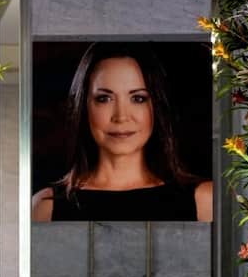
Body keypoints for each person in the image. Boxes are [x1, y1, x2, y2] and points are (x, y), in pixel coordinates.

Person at [32, 42, 213, 222]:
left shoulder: (203, 200)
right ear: (83, 106)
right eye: (104, 98)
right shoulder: (46, 207)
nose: (121, 116)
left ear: (156, 106)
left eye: (138, 98)